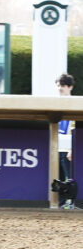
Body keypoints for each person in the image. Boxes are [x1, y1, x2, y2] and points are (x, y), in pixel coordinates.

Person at [56, 73, 75, 207]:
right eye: (58, 86)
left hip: (68, 149)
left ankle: (73, 202)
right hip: (57, 148)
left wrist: (71, 148)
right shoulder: (56, 105)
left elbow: (75, 129)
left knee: (72, 178)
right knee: (60, 180)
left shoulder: (76, 104)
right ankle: (62, 203)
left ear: (70, 87)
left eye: (62, 86)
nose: (60, 88)